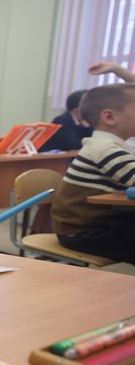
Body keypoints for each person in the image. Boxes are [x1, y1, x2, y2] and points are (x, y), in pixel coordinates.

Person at [52, 83, 135, 263]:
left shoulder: (115, 146)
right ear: (109, 117)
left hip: (104, 224)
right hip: (83, 232)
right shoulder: (103, 148)